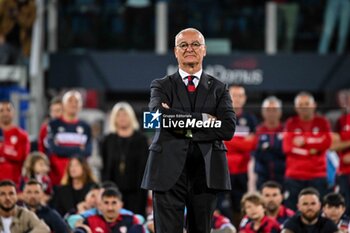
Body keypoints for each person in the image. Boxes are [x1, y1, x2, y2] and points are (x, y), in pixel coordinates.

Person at [141, 28, 236, 233]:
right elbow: (156, 118)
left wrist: (176, 121)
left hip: (206, 172)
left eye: (195, 44)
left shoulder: (219, 88)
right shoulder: (160, 86)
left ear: (204, 50)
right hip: (166, 170)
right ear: (176, 52)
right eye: (183, 45)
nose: (189, 49)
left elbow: (228, 128)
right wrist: (203, 119)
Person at [283, 92, 332, 210]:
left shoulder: (322, 122)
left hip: (317, 176)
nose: (304, 107)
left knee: (318, 211)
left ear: (314, 105)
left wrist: (305, 141)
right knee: (292, 211)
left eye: (306, 104)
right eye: (300, 104)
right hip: (294, 176)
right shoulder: (291, 123)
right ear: (296, 107)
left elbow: (327, 143)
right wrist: (312, 149)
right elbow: (287, 148)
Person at [100, 101, 148, 216]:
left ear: (131, 117)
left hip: (137, 191)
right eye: (118, 115)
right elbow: (104, 166)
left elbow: (144, 167)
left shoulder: (141, 139)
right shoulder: (108, 140)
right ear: (114, 118)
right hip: (113, 192)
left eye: (125, 115)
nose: (122, 118)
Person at [224, 84, 257, 225]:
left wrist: (228, 139)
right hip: (223, 171)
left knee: (242, 208)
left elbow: (252, 144)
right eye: (234, 95)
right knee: (222, 207)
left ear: (245, 98)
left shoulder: (251, 119)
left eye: (240, 96)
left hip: (243, 172)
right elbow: (217, 139)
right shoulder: (219, 116)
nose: (237, 99)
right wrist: (241, 142)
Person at [47, 90, 92, 186]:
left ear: (81, 105)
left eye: (77, 101)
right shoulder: (53, 125)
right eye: (70, 101)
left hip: (80, 181)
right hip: (57, 178)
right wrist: (78, 149)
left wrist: (63, 149)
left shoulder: (86, 126)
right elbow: (53, 149)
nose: (73, 104)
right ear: (63, 104)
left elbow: (88, 151)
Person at [73, 188, 145, 233]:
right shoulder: (90, 221)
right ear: (100, 205)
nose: (110, 208)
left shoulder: (131, 220)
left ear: (121, 205)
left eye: (114, 203)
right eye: (106, 203)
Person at [254, 96, 285, 189]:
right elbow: (255, 154)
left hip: (282, 176)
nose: (271, 113)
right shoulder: (257, 131)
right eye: (268, 110)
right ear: (263, 112)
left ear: (280, 112)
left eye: (274, 109)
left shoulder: (286, 130)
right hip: (262, 176)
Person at [0, 100, 30, 185]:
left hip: (15, 183)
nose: (5, 113)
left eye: (8, 110)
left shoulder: (22, 135)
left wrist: (2, 149)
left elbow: (21, 157)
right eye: (1, 110)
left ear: (14, 112)